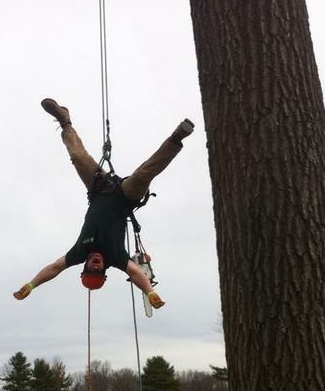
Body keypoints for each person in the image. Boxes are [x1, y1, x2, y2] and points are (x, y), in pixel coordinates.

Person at [14, 99, 194, 308]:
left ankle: (65, 121)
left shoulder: (78, 253)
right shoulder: (116, 257)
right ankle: (176, 139)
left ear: (85, 267)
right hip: (126, 196)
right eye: (98, 271)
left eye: (91, 269)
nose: (96, 266)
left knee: (78, 157)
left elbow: (55, 268)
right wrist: (150, 291)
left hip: (98, 189)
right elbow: (135, 273)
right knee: (145, 174)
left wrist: (31, 284)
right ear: (104, 271)